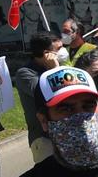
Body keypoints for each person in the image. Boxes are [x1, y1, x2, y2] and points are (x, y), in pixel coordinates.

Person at [12, 34, 65, 163]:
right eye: (58, 49)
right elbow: (45, 92)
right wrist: (55, 70)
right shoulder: (25, 73)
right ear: (46, 53)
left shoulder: (61, 66)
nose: (63, 52)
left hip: (64, 132)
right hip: (43, 137)